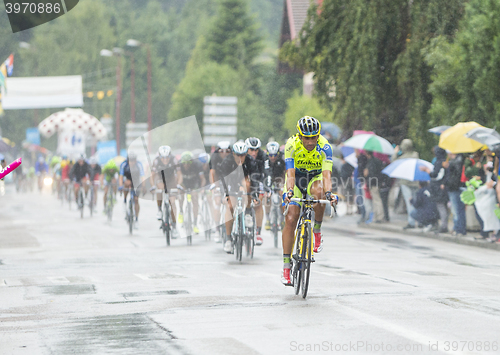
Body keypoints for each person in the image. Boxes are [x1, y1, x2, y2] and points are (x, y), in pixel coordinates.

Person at [281, 116, 338, 286]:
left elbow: (327, 175)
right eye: (307, 138)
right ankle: (286, 266)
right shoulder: (291, 145)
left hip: (315, 177)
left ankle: (317, 230)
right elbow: (290, 174)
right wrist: (290, 192)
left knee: (319, 193)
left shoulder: (325, 147)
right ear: (299, 136)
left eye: (314, 137)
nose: (311, 141)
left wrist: (329, 194)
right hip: (296, 179)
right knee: (291, 217)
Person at [218, 141, 250, 253]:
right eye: (238, 155)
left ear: (246, 154)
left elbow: (256, 177)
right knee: (231, 205)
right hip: (230, 183)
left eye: (243, 155)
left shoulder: (250, 161)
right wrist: (225, 194)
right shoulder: (227, 162)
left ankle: (248, 214)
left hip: (242, 182)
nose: (240, 157)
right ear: (233, 154)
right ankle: (228, 239)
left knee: (248, 187)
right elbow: (223, 180)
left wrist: (254, 193)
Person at [245, 137, 270, 245]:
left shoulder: (263, 156)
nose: (254, 152)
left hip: (259, 178)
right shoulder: (242, 155)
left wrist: (267, 187)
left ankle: (258, 232)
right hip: (246, 178)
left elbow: (267, 172)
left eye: (256, 150)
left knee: (259, 203)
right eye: (251, 149)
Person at [392, 139, 419, 229]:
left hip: (405, 182)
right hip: (415, 182)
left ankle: (411, 222)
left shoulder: (403, 158)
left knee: (409, 202)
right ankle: (419, 221)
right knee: (416, 202)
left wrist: (395, 152)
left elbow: (393, 162)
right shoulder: (416, 155)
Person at [177, 151, 206, 234]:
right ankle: (181, 212)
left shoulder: (197, 165)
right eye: (184, 163)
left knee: (195, 199)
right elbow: (177, 179)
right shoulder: (179, 165)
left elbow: (202, 179)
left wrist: (202, 188)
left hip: (194, 184)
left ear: (192, 162)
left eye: (189, 163)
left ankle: (195, 223)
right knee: (181, 194)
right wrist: (179, 187)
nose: (186, 165)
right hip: (184, 183)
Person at [209, 141, 232, 241]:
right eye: (221, 151)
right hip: (218, 179)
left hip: (229, 179)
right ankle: (217, 228)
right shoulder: (214, 157)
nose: (224, 153)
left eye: (227, 151)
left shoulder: (232, 157)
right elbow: (212, 172)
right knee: (218, 201)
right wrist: (214, 185)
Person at [149, 146, 177, 221]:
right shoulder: (156, 161)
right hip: (160, 177)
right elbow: (152, 175)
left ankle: (174, 225)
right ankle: (159, 210)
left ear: (170, 156)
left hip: (170, 178)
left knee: (173, 203)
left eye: (167, 158)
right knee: (160, 188)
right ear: (159, 156)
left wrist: (178, 185)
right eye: (163, 158)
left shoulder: (174, 160)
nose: (165, 160)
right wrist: (152, 186)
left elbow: (179, 173)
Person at [119, 152, 145, 229]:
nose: (132, 162)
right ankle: (124, 200)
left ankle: (136, 219)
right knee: (127, 184)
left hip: (136, 181)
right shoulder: (124, 165)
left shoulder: (139, 165)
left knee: (136, 200)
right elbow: (121, 177)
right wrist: (120, 186)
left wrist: (143, 187)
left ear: (136, 161)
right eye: (130, 161)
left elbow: (142, 176)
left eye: (133, 161)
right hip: (127, 180)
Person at [264, 141, 286, 230]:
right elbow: (266, 173)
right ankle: (268, 219)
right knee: (267, 196)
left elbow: (285, 172)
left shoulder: (282, 158)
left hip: (279, 177)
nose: (273, 157)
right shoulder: (265, 159)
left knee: (281, 194)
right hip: (269, 176)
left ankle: (282, 218)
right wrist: (267, 188)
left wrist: (283, 185)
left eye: (275, 155)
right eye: (271, 155)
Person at [446, 153, 467, 236]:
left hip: (454, 188)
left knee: (456, 210)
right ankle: (459, 228)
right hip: (459, 187)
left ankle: (458, 229)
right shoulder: (462, 160)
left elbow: (454, 176)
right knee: (459, 209)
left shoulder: (456, 162)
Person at [363, 151, 384, 223]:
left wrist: (367, 174)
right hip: (377, 182)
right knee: (376, 200)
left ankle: (379, 216)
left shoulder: (371, 162)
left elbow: (371, 174)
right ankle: (376, 217)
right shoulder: (377, 161)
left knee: (377, 200)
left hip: (373, 183)